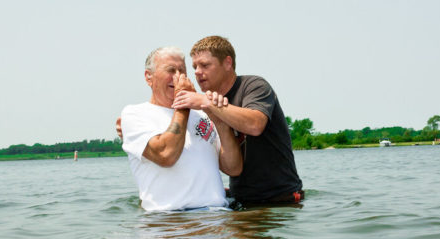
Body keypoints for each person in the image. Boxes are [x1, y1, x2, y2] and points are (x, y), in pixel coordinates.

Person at [171, 36, 303, 206]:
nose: (196, 72)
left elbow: (255, 125)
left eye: (205, 65)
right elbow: (229, 167)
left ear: (227, 63)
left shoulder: (255, 86)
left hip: (281, 200)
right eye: (195, 67)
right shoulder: (205, 107)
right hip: (240, 201)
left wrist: (206, 102)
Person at [120, 46, 242, 211]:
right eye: (171, 70)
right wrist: (184, 103)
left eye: (182, 71)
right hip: (171, 222)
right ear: (149, 77)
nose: (178, 77)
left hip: (218, 217)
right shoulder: (135, 114)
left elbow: (233, 168)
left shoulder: (202, 114)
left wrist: (220, 121)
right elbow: (166, 155)